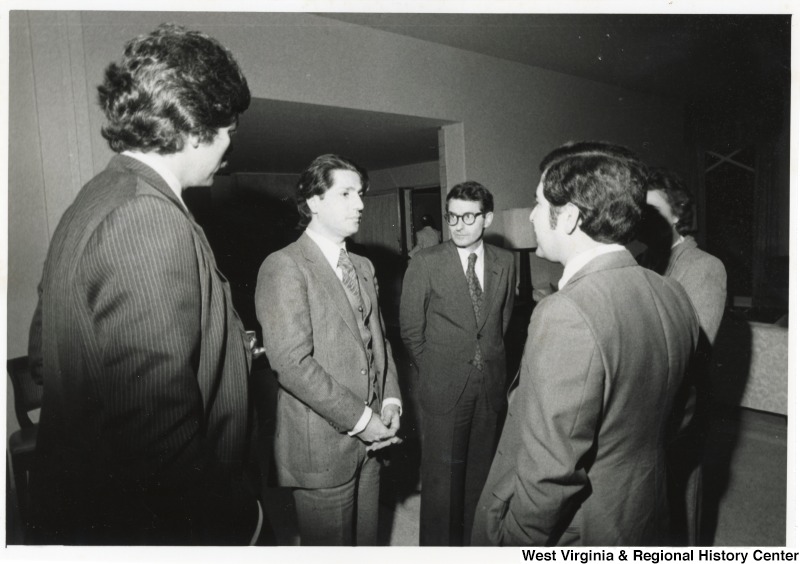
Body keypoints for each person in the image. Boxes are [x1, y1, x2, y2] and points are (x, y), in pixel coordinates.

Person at [26, 23, 259, 545]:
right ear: (197, 125)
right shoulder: (145, 216)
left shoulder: (94, 199)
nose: (229, 149)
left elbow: (44, 357)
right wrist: (235, 525)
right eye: (229, 131)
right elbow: (161, 439)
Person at [472, 142, 699, 546]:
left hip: (581, 530)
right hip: (643, 511)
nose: (531, 215)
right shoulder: (673, 294)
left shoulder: (566, 312)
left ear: (571, 217)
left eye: (538, 203)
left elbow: (550, 472)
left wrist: (516, 542)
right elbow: (681, 415)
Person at [255, 154, 402, 546]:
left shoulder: (363, 265)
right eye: (347, 193)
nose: (360, 204)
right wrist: (360, 419)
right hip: (320, 447)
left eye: (361, 194)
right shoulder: (284, 266)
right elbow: (291, 364)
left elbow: (379, 341)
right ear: (314, 202)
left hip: (371, 442)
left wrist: (390, 399)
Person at [400, 181, 516, 545]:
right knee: (441, 488)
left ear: (487, 218)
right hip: (444, 387)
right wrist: (437, 367)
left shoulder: (505, 261)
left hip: (490, 386)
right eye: (453, 216)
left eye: (468, 216)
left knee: (481, 483)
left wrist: (485, 362)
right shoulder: (426, 261)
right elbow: (410, 329)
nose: (459, 225)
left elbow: (501, 323)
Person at [642, 168, 727, 545]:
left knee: (680, 507)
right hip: (645, 403)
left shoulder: (704, 266)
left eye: (654, 210)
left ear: (677, 215)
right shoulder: (644, 260)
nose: (644, 220)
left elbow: (695, 349)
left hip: (682, 405)